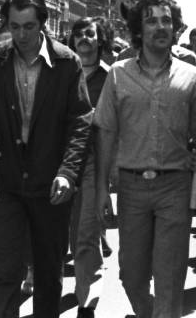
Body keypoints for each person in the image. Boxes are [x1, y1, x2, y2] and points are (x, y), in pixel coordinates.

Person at [0, 0, 91, 318]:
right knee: (4, 274)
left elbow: (80, 124)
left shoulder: (67, 63)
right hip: (5, 186)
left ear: (43, 25)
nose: (21, 35)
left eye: (28, 27)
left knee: (47, 275)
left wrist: (67, 173)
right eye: (14, 27)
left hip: (50, 186)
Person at [94, 0, 196, 318]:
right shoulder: (117, 75)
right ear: (139, 31)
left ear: (175, 28)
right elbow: (106, 134)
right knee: (131, 274)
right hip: (131, 188)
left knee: (170, 277)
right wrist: (101, 190)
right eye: (151, 21)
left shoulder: (193, 78)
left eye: (166, 20)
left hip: (175, 187)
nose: (160, 27)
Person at [67, 17, 112, 318]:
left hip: (95, 164)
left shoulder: (111, 77)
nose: (84, 38)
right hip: (59, 164)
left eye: (90, 34)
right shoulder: (59, 72)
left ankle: (87, 303)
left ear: (99, 40)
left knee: (86, 236)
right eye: (79, 34)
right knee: (67, 236)